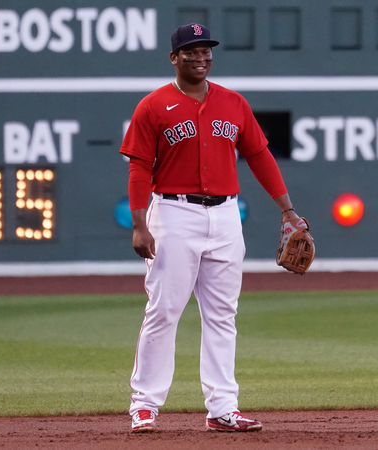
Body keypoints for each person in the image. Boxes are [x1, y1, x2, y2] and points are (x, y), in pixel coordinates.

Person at [119, 23, 302, 433]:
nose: (200, 58)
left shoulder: (233, 103)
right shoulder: (153, 106)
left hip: (225, 216)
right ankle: (144, 404)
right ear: (174, 58)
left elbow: (259, 156)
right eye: (191, 52)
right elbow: (138, 167)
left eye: (206, 52)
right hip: (173, 212)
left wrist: (288, 211)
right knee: (164, 311)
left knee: (222, 314)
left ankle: (223, 407)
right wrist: (139, 222)